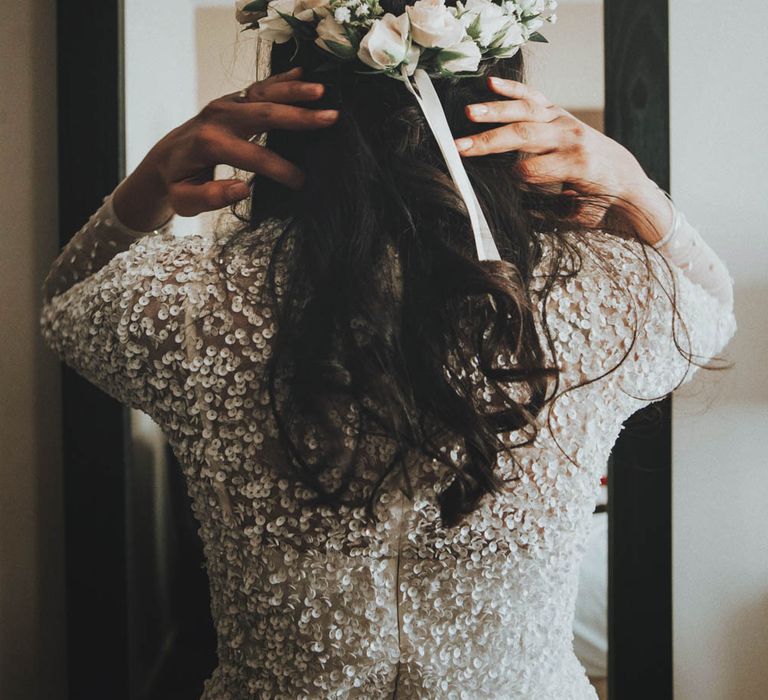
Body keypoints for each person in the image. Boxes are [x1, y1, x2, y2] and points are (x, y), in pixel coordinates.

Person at [41, 1, 735, 697]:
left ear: (289, 93)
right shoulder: (609, 295)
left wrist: (148, 182)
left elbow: (62, 306)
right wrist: (634, 187)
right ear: (501, 94)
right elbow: (714, 307)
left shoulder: (185, 302)